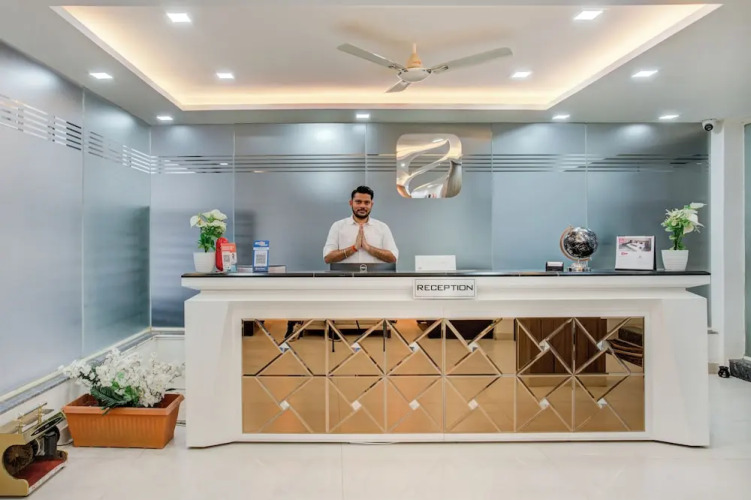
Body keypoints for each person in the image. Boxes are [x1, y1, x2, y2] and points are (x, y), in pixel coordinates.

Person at [323, 185, 398, 264]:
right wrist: (354, 248)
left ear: (371, 204)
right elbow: (328, 258)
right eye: (358, 202)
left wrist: (368, 248)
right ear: (351, 203)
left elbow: (393, 258)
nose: (362, 206)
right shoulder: (338, 226)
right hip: (345, 272)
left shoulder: (382, 227)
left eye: (366, 202)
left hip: (374, 272)